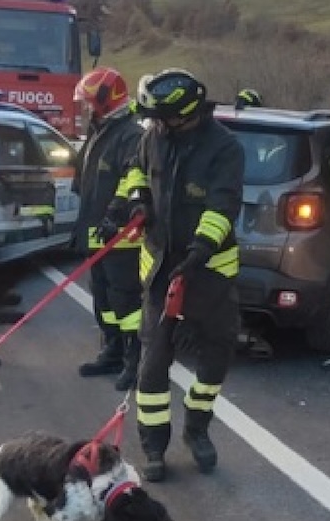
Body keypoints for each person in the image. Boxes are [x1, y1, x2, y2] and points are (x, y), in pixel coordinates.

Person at [105, 68, 245, 482]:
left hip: (210, 273)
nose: (155, 124)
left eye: (161, 117)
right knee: (153, 362)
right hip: (160, 268)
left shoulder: (225, 149)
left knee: (216, 355)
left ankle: (197, 429)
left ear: (185, 115)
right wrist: (137, 204)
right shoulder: (154, 138)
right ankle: (153, 446)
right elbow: (135, 173)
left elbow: (223, 206)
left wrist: (200, 250)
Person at [74, 67, 146, 392]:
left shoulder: (130, 136)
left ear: (105, 102)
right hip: (95, 230)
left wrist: (115, 217)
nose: (85, 108)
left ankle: (134, 361)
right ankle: (113, 351)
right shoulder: (99, 130)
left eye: (89, 103)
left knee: (126, 302)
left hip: (122, 236)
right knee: (102, 297)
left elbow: (131, 180)